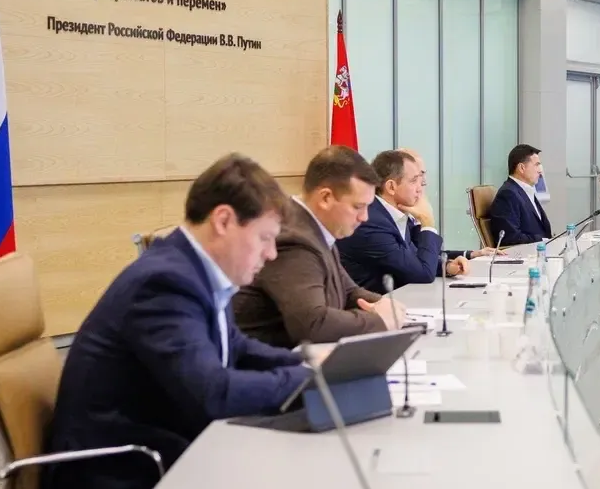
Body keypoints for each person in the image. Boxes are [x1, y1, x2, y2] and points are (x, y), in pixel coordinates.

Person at [33, 154, 319, 489]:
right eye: (264, 238)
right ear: (224, 221)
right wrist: (309, 379)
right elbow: (214, 393)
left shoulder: (193, 268)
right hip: (120, 481)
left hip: (163, 446)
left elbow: (233, 346)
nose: (271, 254)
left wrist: (307, 361)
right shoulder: (165, 283)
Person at [232, 146, 403, 349]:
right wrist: (379, 321)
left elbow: (349, 292)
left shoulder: (314, 227)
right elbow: (313, 324)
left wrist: (385, 306)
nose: (364, 217)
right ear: (325, 198)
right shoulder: (294, 239)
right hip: (269, 362)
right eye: (358, 207)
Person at [337, 150, 479, 293]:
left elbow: (413, 259)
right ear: (391, 187)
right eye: (413, 181)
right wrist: (427, 223)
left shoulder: (392, 214)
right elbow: (422, 274)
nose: (420, 189)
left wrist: (447, 266)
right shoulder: (372, 222)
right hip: (372, 303)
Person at [488, 143, 552, 246]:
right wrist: (543, 240)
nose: (540, 170)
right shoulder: (508, 194)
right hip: (525, 253)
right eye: (536, 165)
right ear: (521, 168)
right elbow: (510, 238)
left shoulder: (525, 190)